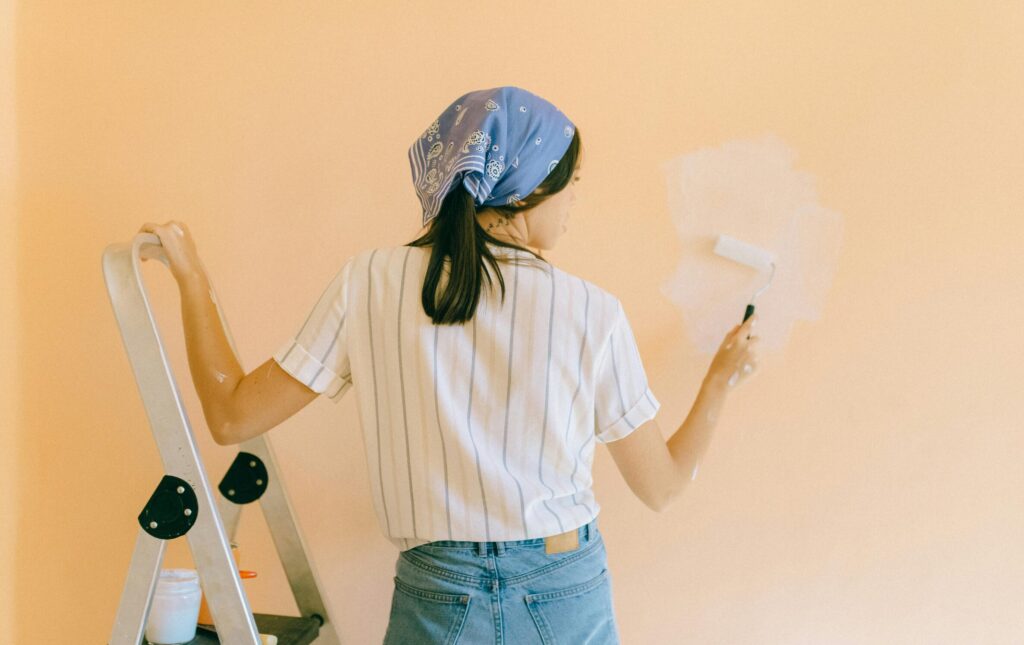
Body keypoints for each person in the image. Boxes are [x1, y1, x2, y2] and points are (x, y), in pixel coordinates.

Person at [138, 85, 759, 644]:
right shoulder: (590, 310)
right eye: (569, 182)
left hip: (439, 592)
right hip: (564, 590)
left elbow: (232, 416)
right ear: (528, 187)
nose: (575, 200)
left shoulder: (370, 282)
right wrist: (721, 380)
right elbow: (664, 486)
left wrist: (193, 281)